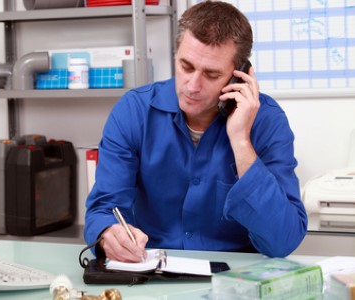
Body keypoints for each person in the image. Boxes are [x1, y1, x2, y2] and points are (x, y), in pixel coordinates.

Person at [84, 0, 307, 262]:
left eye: (211, 74)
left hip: (235, 281)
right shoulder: (134, 111)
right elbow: (103, 209)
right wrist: (108, 233)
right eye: (186, 67)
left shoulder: (267, 121)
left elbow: (283, 241)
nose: (192, 85)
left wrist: (241, 142)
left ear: (239, 75)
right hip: (152, 271)